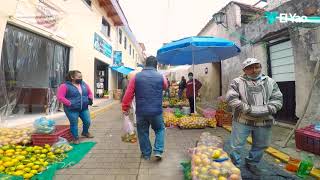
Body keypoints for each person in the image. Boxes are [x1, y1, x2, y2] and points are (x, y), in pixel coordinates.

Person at [226, 58, 283, 175]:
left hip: (264, 120)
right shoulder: (237, 82)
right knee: (236, 146)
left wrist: (266, 110)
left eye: (257, 67)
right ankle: (234, 165)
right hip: (242, 120)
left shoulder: (270, 82)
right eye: (250, 68)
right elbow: (232, 99)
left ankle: (252, 163)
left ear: (261, 67)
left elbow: (277, 99)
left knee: (261, 145)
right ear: (244, 70)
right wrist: (249, 110)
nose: (254, 70)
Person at [122, 56, 168, 160]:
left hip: (141, 112)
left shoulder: (136, 77)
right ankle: (158, 151)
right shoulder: (161, 76)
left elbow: (128, 94)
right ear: (156, 65)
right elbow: (165, 86)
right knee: (160, 129)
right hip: (156, 111)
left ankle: (146, 154)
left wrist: (125, 107)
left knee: (143, 132)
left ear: (145, 64)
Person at [57, 70, 94, 144]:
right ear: (72, 77)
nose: (81, 78)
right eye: (79, 77)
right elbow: (60, 97)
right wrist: (70, 103)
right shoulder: (64, 86)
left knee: (87, 121)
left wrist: (90, 99)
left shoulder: (84, 84)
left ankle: (85, 132)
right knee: (74, 123)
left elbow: (89, 93)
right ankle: (75, 138)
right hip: (71, 109)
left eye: (81, 77)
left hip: (83, 107)